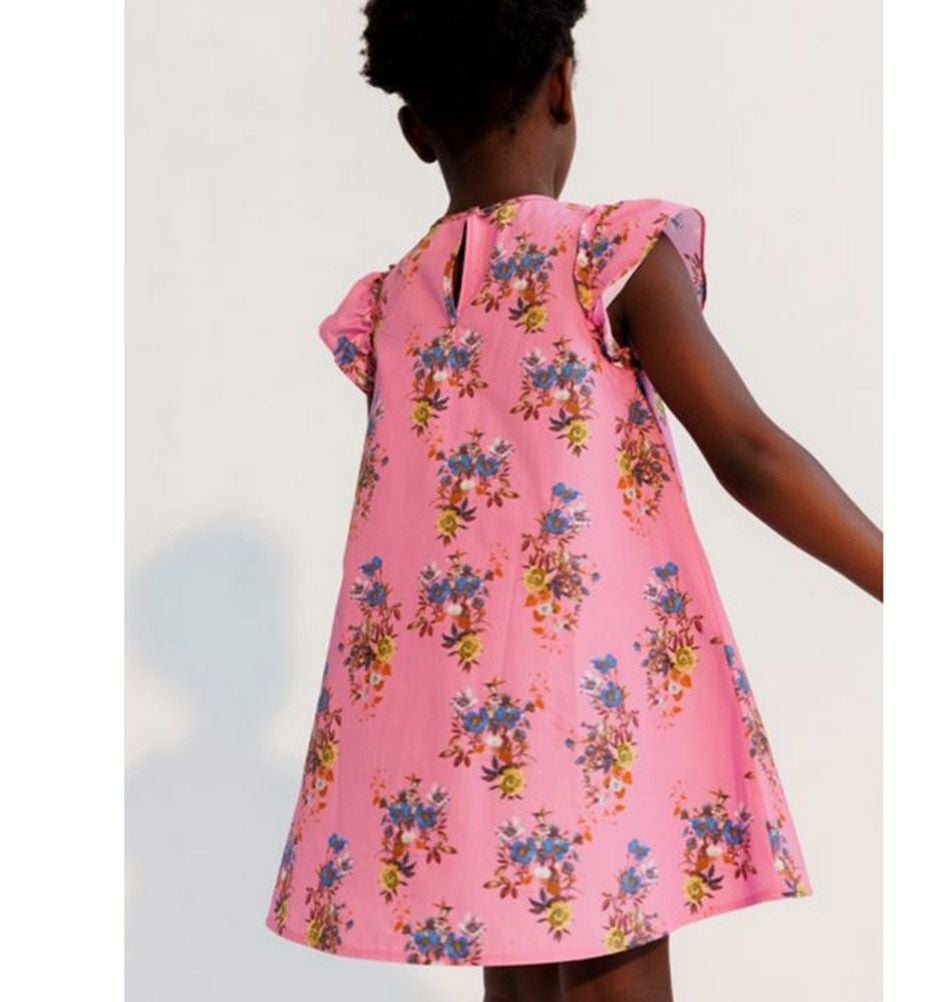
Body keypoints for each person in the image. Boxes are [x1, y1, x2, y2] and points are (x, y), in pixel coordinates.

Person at [264, 2, 882, 999]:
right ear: (562, 85)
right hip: (597, 720)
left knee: (518, 977)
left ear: (416, 129)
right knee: (618, 980)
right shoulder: (607, 253)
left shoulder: (389, 306)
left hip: (470, 743)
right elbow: (748, 450)